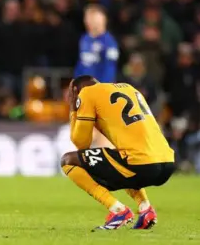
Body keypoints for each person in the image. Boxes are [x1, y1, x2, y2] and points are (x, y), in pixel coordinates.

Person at [61, 76, 175, 230]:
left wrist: (74, 111)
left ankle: (117, 210)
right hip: (167, 162)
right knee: (120, 160)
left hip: (142, 165)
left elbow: (81, 143)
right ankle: (145, 209)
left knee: (68, 160)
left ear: (76, 91)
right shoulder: (129, 88)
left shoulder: (87, 93)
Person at [74, 5, 119, 82]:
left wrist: (103, 86)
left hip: (100, 87)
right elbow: (81, 62)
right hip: (84, 87)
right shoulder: (85, 39)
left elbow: (110, 67)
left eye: (90, 18)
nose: (86, 21)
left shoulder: (109, 42)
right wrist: (75, 82)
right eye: (86, 18)